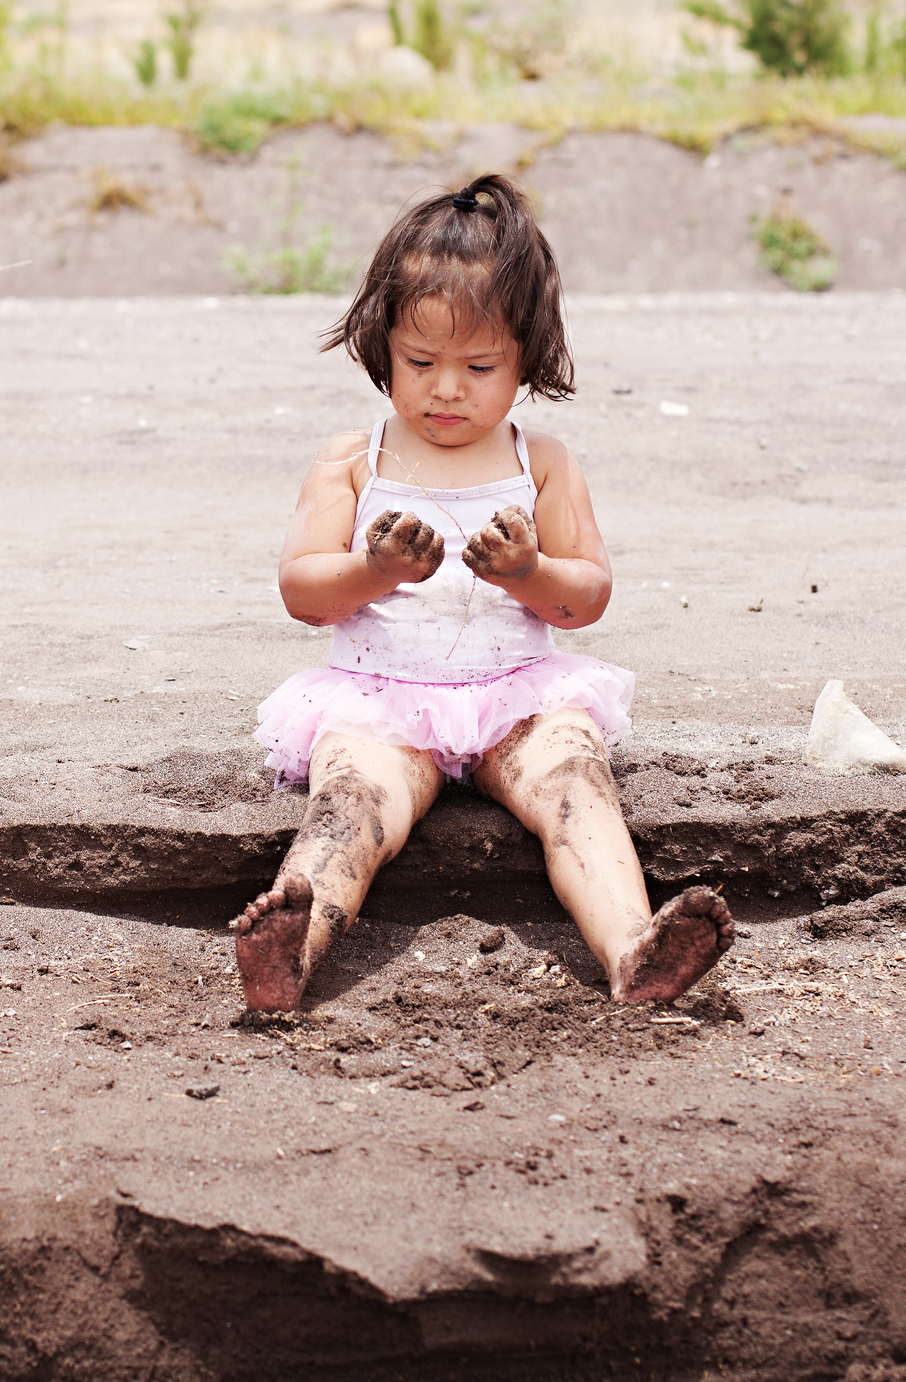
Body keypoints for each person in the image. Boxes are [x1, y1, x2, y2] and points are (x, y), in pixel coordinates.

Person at [232, 174, 734, 1013]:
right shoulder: (354, 462)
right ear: (380, 346)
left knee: (574, 781)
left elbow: (587, 596)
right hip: (379, 700)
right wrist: (375, 571)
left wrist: (528, 575)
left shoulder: (542, 464)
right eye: (419, 362)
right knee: (352, 804)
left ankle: (633, 950)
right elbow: (301, 592)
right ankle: (292, 948)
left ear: (526, 360)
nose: (446, 388)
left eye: (479, 366)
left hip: (517, 698)